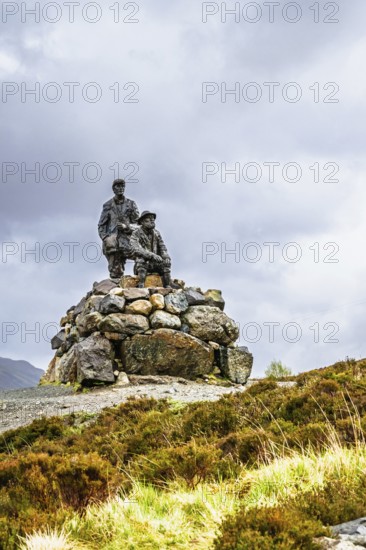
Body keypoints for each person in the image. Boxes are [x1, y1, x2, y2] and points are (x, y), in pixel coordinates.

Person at [98, 179, 139, 280]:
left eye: (122, 186)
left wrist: (128, 228)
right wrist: (105, 238)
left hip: (129, 239)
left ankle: (140, 280)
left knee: (141, 258)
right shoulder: (107, 205)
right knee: (115, 273)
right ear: (113, 189)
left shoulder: (131, 204)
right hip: (113, 241)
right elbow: (101, 225)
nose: (121, 188)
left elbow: (139, 224)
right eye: (118, 186)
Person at [130, 211, 179, 288]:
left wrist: (166, 256)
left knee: (166, 263)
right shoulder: (136, 233)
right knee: (141, 261)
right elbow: (136, 248)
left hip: (155, 263)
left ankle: (168, 285)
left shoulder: (156, 233)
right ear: (142, 222)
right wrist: (151, 255)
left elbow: (162, 246)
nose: (152, 220)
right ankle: (141, 285)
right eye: (149, 219)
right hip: (142, 263)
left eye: (153, 219)